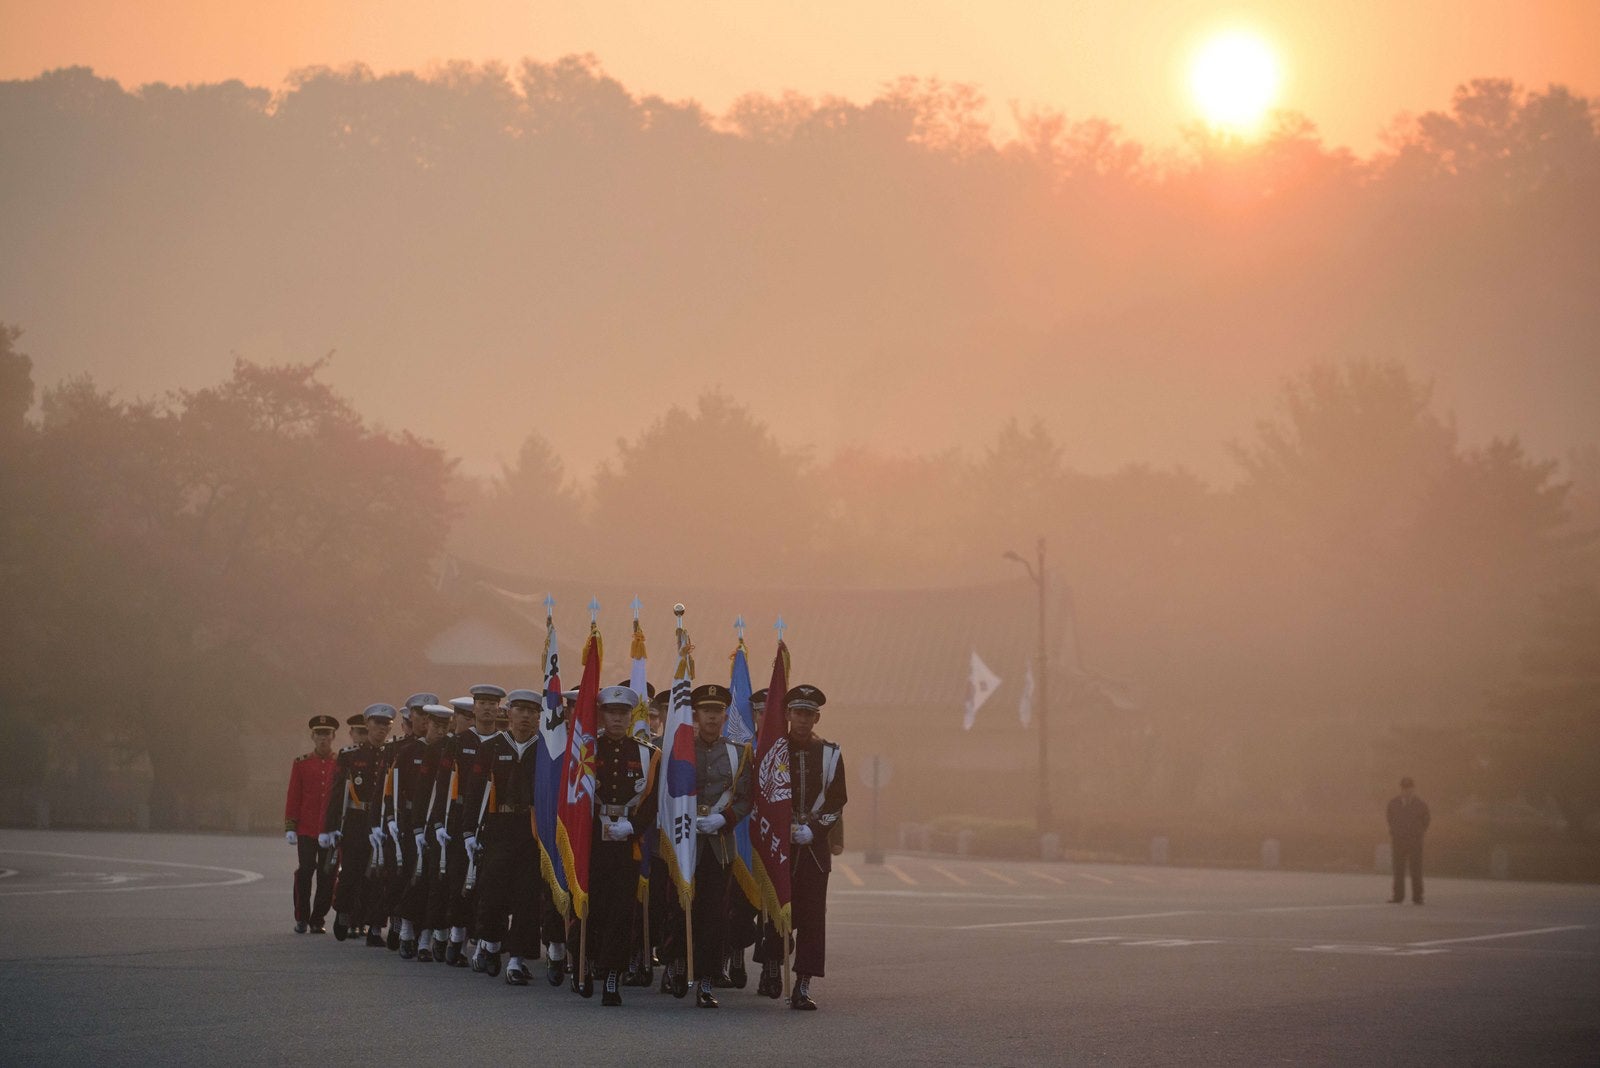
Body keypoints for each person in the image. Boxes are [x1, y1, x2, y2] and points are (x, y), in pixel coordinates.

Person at [663, 683, 753, 1009]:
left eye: (717, 711)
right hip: (683, 839)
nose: (712, 717)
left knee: (714, 915)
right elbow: (668, 793)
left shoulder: (738, 752)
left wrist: (725, 820)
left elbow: (745, 800)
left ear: (725, 714)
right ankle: (675, 962)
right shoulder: (679, 748)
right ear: (696, 714)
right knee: (677, 907)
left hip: (718, 844)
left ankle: (705, 980)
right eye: (706, 711)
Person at [758, 684, 847, 1010]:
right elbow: (763, 794)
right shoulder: (773, 750)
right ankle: (771, 963)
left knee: (811, 917)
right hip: (779, 842)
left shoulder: (830, 754)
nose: (803, 719)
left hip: (812, 847)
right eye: (798, 713)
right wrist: (782, 828)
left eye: (809, 714)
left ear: (817, 717)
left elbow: (838, 801)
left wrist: (815, 830)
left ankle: (804, 982)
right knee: (774, 909)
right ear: (788, 715)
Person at [587, 685, 661, 1006]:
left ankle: (613, 974)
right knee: (595, 906)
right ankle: (588, 961)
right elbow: (576, 798)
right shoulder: (588, 750)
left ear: (632, 716)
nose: (617, 719)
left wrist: (633, 826)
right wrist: (595, 824)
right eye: (611, 713)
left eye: (623, 713)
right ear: (602, 715)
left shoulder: (646, 753)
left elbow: (654, 801)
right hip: (594, 839)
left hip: (629, 840)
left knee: (622, 909)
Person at [471, 689, 545, 984]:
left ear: (539, 716)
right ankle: (489, 943)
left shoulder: (545, 751)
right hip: (497, 827)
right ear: (509, 713)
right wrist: (468, 831)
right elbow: (475, 791)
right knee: (492, 892)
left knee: (527, 896)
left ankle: (516, 960)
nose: (525, 716)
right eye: (520, 710)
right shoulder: (492, 747)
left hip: (530, 829)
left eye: (531, 711)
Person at [430, 684, 503, 966]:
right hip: (459, 814)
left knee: (487, 882)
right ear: (474, 708)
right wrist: (438, 822)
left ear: (498, 709)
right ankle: (454, 937)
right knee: (458, 879)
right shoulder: (458, 742)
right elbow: (442, 783)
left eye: (492, 704)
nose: (487, 708)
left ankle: (480, 940)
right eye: (482, 703)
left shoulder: (501, 742)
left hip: (491, 816)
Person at [320, 703, 396, 943]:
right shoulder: (351, 755)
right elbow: (336, 793)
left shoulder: (393, 753)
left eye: (386, 725)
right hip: (356, 819)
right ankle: (343, 912)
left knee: (378, 876)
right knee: (351, 871)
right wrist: (329, 827)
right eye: (377, 724)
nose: (381, 729)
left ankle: (373, 926)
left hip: (381, 822)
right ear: (368, 725)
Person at [388, 696, 445, 959]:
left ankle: (424, 937)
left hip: (437, 823)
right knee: (413, 876)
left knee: (432, 881)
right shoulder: (408, 751)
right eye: (422, 717)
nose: (435, 728)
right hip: (412, 823)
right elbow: (395, 791)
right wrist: (393, 821)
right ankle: (407, 930)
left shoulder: (447, 751)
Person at [284, 714, 340, 934]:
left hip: (331, 829)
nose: (323, 739)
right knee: (305, 871)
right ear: (313, 736)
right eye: (319, 734)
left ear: (334, 736)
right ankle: (301, 916)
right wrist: (290, 825)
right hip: (307, 829)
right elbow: (294, 795)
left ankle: (318, 918)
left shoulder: (340, 763)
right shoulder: (302, 764)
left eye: (327, 734)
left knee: (328, 875)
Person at [1387, 776, 1431, 905]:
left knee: (1416, 870)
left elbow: (1426, 821)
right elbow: (1389, 818)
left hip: (1414, 841)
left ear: (1413, 789)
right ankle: (1398, 896)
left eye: (1409, 788)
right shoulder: (1393, 803)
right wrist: (1395, 831)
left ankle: (1418, 897)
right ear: (1401, 789)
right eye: (1404, 788)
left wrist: (1418, 833)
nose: (1407, 791)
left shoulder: (1420, 804)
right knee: (1398, 870)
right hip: (1398, 840)